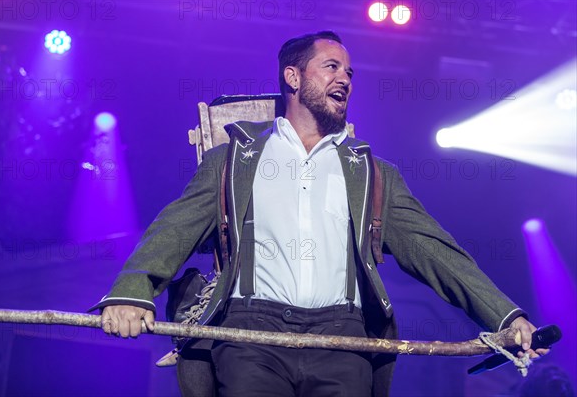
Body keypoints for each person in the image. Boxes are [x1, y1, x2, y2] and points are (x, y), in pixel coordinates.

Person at [91, 31, 548, 396]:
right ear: (293, 77)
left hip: (343, 340)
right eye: (331, 67)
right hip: (252, 334)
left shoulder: (371, 173)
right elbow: (173, 229)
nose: (345, 78)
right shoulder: (234, 160)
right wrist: (132, 292)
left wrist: (506, 317)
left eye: (349, 72)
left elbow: (435, 251)